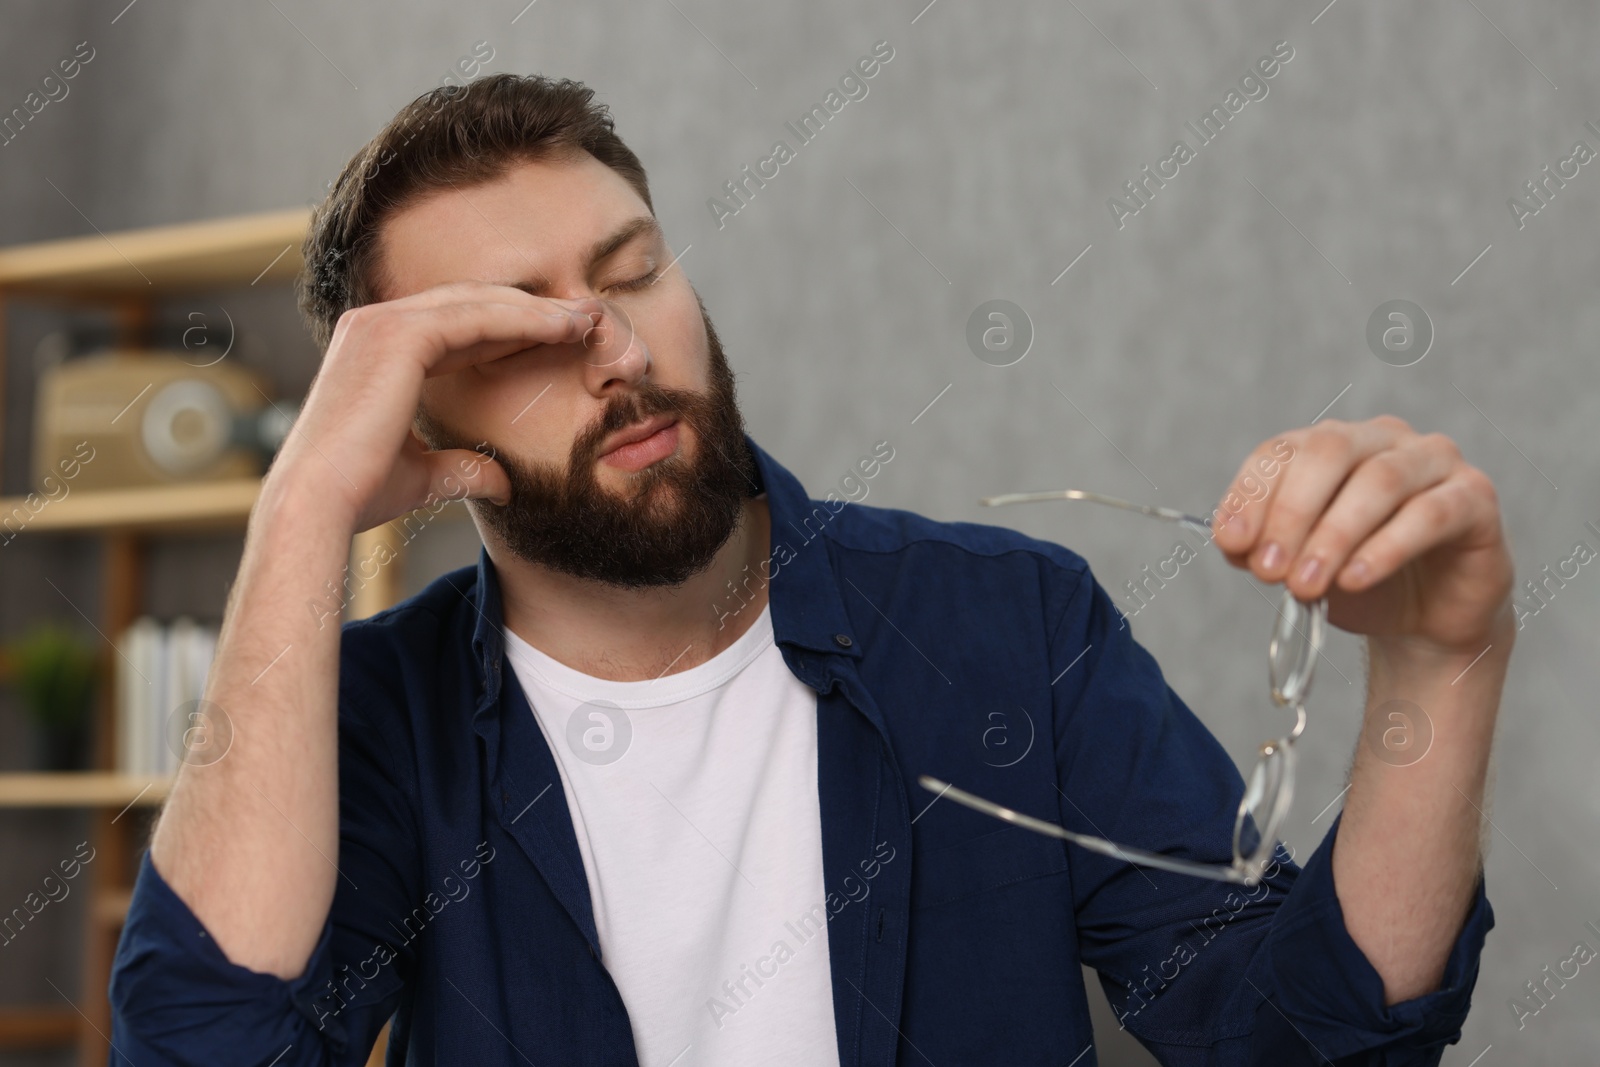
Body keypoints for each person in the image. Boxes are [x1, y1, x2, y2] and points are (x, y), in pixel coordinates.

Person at [108, 73, 1514, 1066]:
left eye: (631, 271)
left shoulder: (1009, 627)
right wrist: (297, 518)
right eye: (510, 336)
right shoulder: (371, 717)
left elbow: (1301, 1045)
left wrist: (1444, 666)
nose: (616, 351)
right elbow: (205, 1050)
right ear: (418, 421)